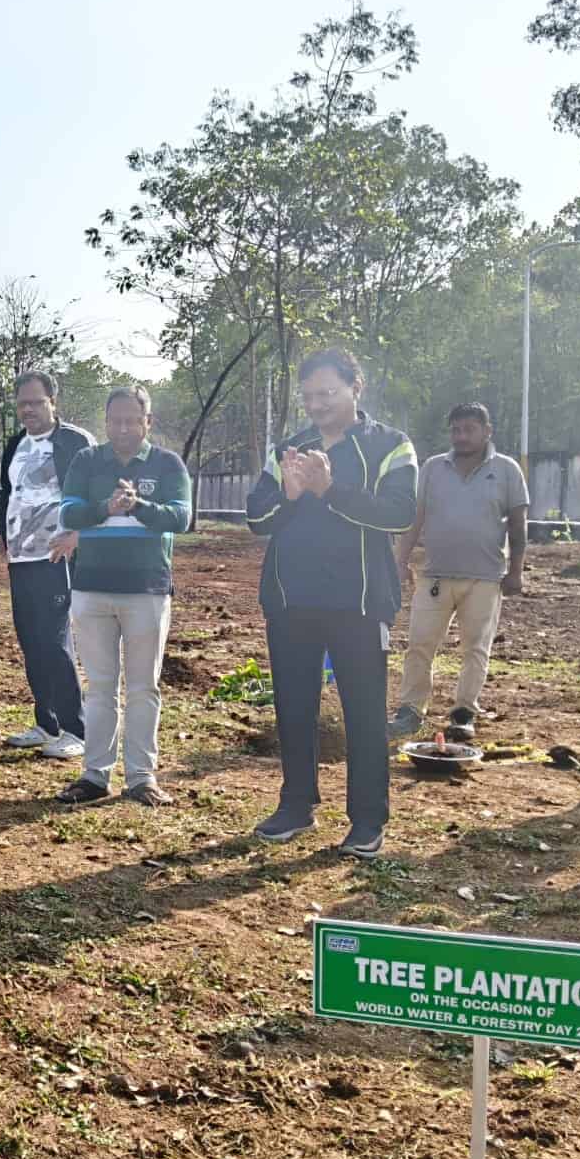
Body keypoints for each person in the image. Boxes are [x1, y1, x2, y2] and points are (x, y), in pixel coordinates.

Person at [245, 349, 417, 860]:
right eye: (310, 396)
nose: (317, 404)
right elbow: (257, 519)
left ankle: (367, 819)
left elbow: (399, 514)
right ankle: (296, 804)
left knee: (364, 714)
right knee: (293, 707)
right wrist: (294, 493)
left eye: (328, 393)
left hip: (359, 602)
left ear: (355, 386)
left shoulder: (391, 445)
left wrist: (329, 489)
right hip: (291, 600)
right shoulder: (289, 448)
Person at [55, 387, 191, 806]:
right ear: (106, 421)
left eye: (133, 420)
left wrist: (139, 506)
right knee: (98, 687)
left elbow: (182, 516)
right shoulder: (88, 461)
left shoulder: (168, 464)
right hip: (91, 589)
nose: (123, 428)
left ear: (148, 421)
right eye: (115, 420)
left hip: (146, 590)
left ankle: (141, 776)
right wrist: (105, 507)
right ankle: (95, 775)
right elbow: (69, 512)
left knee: (143, 687)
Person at [389, 403, 528, 742]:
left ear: (487, 431)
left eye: (469, 429)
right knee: (420, 643)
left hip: (486, 577)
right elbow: (414, 519)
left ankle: (464, 713)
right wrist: (400, 561)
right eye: (456, 430)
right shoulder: (433, 468)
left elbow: (519, 526)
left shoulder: (507, 470)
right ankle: (410, 711)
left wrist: (516, 572)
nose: (462, 436)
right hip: (435, 576)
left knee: (476, 648)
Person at [0, 370, 94, 761]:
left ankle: (76, 727)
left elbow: (95, 491)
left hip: (56, 556)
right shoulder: (15, 444)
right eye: (22, 404)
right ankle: (46, 722)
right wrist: (2, 531)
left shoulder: (75, 442)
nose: (28, 410)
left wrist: (78, 536)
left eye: (36, 402)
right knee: (30, 639)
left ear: (53, 401)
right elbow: (7, 492)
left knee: (55, 641)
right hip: (21, 557)